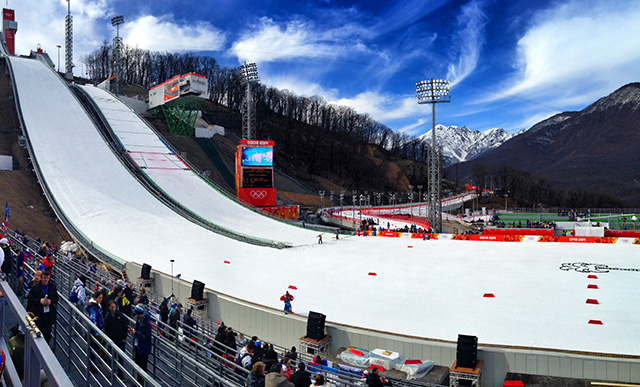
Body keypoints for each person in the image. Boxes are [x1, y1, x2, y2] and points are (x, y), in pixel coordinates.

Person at [26, 270, 58, 343]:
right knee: (39, 332)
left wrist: (50, 301)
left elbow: (56, 298)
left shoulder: (52, 286)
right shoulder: (34, 287)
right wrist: (39, 301)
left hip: (48, 314)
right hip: (38, 314)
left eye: (47, 278)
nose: (46, 279)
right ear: (41, 278)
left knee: (47, 334)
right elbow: (30, 299)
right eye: (44, 278)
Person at [129, 304, 152, 383]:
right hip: (139, 346)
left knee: (143, 366)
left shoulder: (147, 324)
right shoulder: (139, 320)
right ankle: (139, 382)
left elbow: (146, 337)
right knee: (138, 364)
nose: (136, 316)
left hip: (143, 348)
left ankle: (142, 382)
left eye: (137, 314)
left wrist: (136, 333)